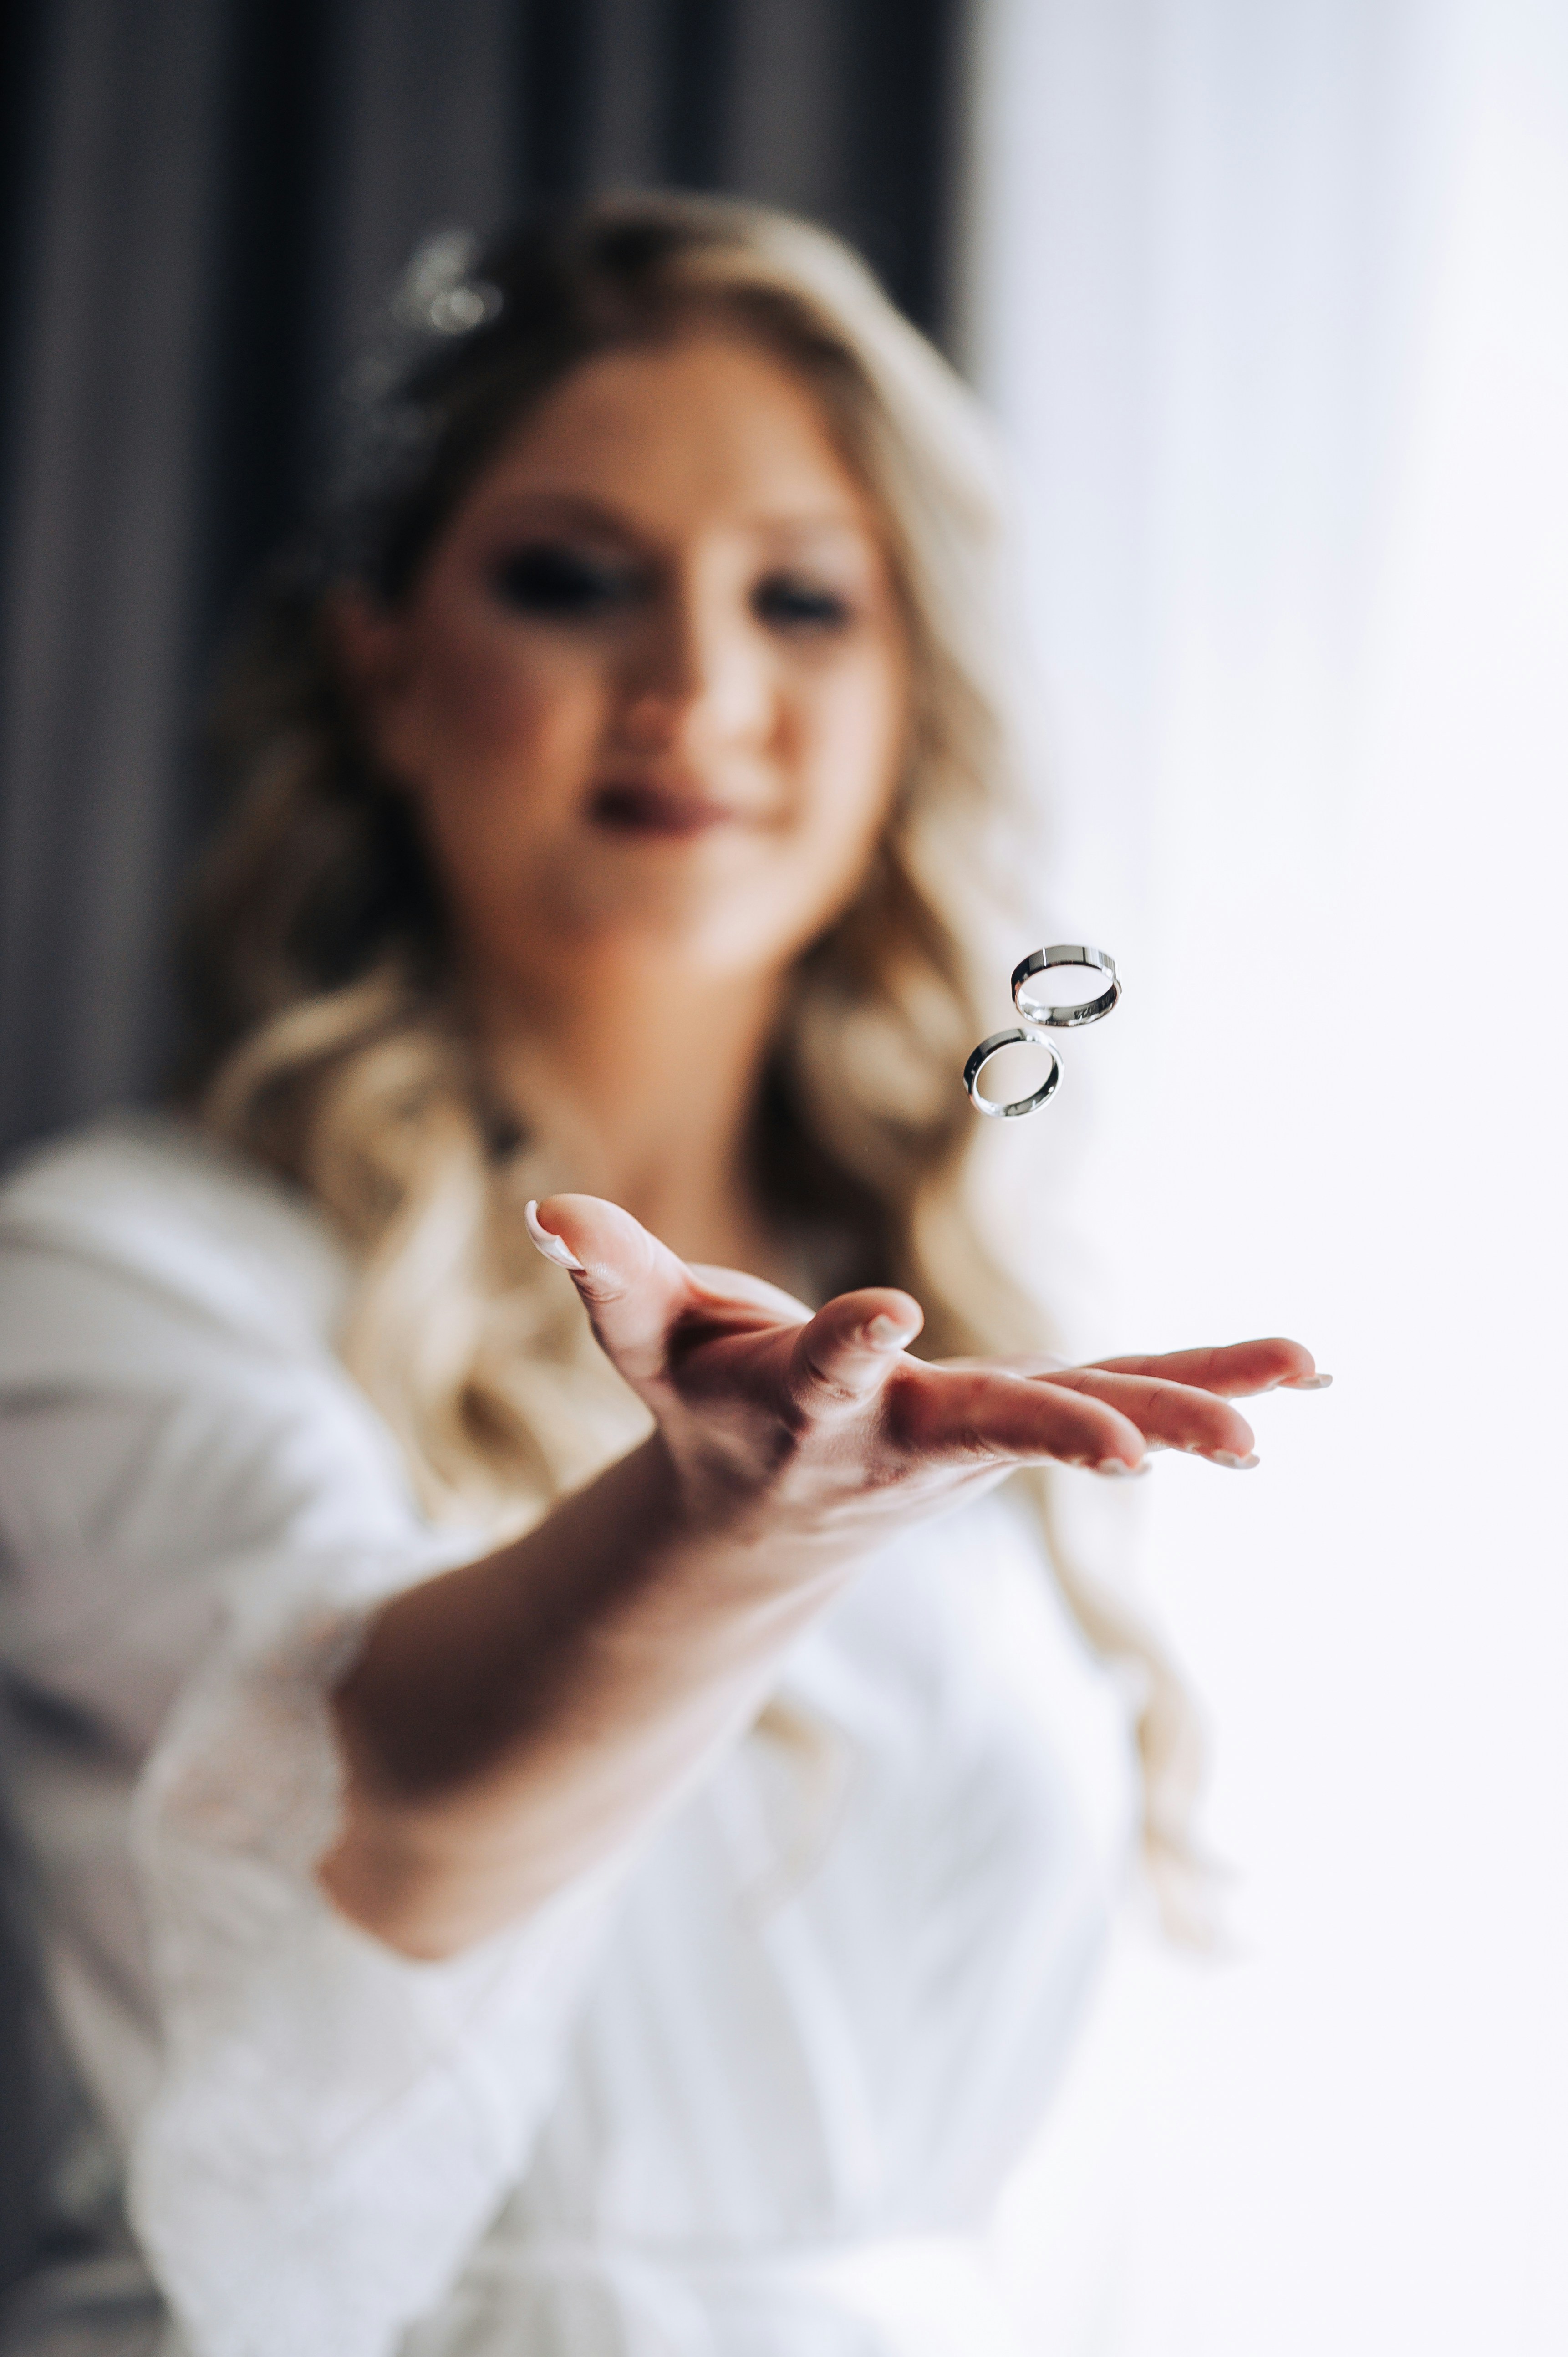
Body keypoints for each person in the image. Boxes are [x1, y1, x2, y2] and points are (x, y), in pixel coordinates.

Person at [0, 196, 1325, 2357]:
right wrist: (723, 1534)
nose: (696, 689)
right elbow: (376, 1815)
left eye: (800, 599)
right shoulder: (117, 1281)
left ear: (909, 693)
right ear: (389, 663)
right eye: (573, 578)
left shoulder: (983, 1326)